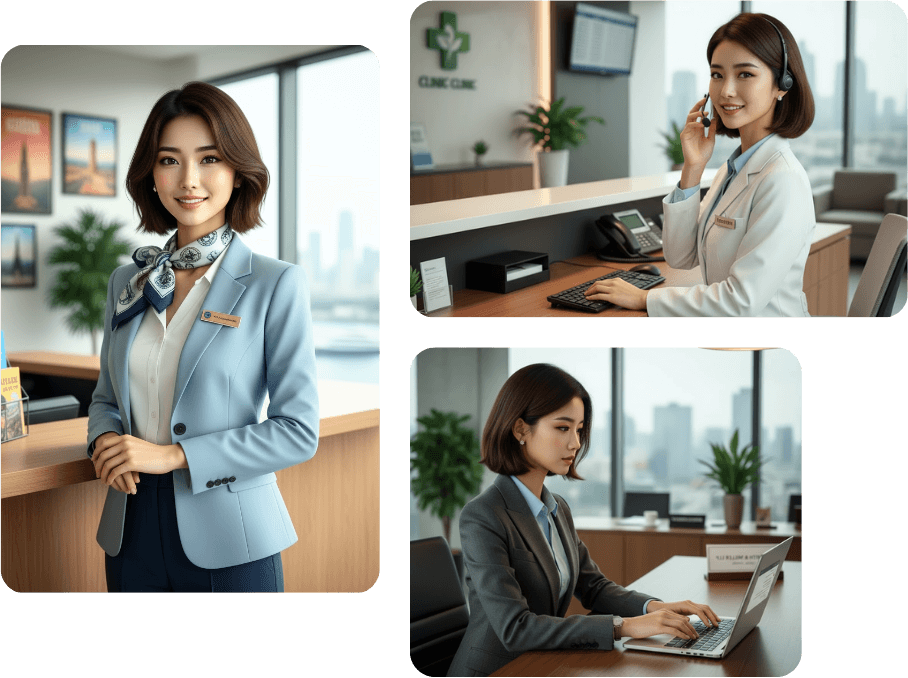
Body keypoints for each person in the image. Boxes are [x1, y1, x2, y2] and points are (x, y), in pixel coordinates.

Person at [87, 81, 319, 592]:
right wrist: (104, 438)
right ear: (151, 173)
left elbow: (298, 431)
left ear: (238, 172)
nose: (188, 179)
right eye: (169, 160)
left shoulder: (274, 284)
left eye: (209, 158)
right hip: (130, 531)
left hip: (231, 537)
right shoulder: (127, 283)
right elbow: (106, 395)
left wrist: (173, 456)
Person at [448, 364, 720, 676]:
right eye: (563, 428)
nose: (576, 443)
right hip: (497, 669)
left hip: (544, 663)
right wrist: (624, 627)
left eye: (578, 430)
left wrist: (656, 608)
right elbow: (515, 628)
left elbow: (593, 587)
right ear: (521, 429)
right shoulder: (483, 516)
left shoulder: (557, 508)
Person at [585, 13, 816, 316]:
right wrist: (692, 169)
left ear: (782, 85)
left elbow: (741, 301)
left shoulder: (782, 180)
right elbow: (681, 257)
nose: (726, 90)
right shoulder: (731, 171)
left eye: (745, 74)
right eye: (717, 75)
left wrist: (645, 299)